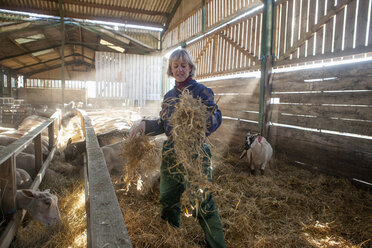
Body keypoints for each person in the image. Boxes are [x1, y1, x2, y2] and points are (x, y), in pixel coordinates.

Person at [129, 49, 226, 248]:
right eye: (176, 66)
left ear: (190, 68)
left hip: (195, 151)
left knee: (201, 200)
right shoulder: (169, 96)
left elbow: (216, 119)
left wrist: (204, 120)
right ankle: (170, 234)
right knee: (167, 196)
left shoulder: (202, 92)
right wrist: (144, 125)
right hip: (172, 151)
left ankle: (216, 244)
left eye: (184, 65)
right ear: (171, 70)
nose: (180, 69)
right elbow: (164, 124)